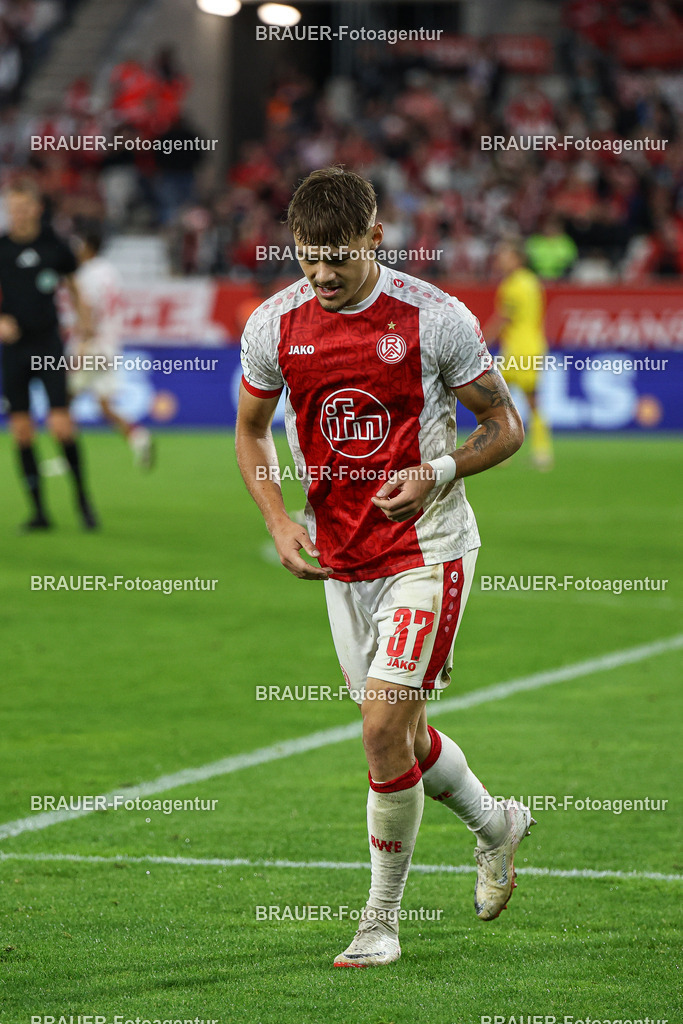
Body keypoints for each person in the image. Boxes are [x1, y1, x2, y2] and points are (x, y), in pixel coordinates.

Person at [236, 167, 535, 968]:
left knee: (377, 731)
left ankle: (379, 920)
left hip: (427, 551)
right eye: (307, 258)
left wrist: (438, 472)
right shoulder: (275, 324)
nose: (322, 275)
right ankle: (496, 825)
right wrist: (276, 518)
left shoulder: (435, 319)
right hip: (343, 560)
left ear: (374, 237)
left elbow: (504, 422)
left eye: (336, 256)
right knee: (399, 735)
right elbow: (252, 431)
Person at [0, 177, 98, 530]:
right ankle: (39, 512)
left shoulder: (53, 246)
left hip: (47, 345)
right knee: (22, 431)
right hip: (14, 349)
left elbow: (74, 287)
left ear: (37, 209)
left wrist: (85, 329)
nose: (18, 214)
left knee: (60, 426)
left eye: (24, 208)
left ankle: (83, 502)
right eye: (13, 209)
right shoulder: (2, 248)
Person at [69, 228, 154, 469]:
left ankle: (67, 455)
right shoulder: (110, 271)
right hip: (110, 344)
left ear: (88, 246)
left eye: (79, 244)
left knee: (63, 400)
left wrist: (82, 345)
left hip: (92, 344)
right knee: (105, 404)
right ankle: (139, 437)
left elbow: (88, 309)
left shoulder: (85, 274)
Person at [488, 240, 553, 471]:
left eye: (506, 256)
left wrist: (481, 340)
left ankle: (503, 452)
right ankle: (541, 451)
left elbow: (504, 317)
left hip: (517, 349)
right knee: (530, 401)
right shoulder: (533, 282)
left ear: (518, 259)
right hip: (534, 346)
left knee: (497, 400)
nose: (501, 261)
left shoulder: (513, 284)